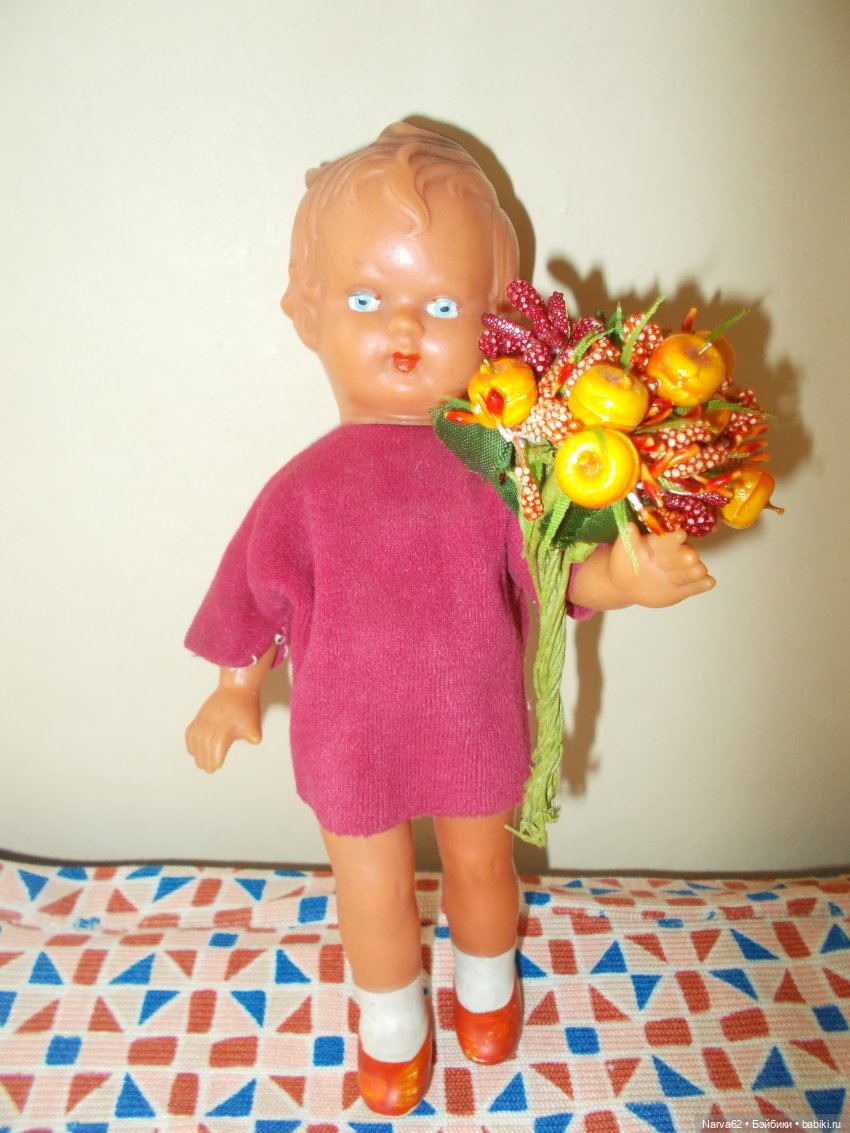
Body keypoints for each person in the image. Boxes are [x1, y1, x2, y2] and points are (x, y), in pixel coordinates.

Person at [184, 122, 714, 1116]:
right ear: (309, 312)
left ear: (494, 327)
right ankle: (391, 1026)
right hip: (348, 735)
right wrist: (233, 688)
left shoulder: (498, 475)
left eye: (440, 305)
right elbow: (254, 592)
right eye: (364, 299)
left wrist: (627, 576)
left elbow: (557, 574)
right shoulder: (303, 490)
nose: (404, 328)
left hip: (473, 718)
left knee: (481, 862)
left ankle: (488, 985)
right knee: (371, 886)